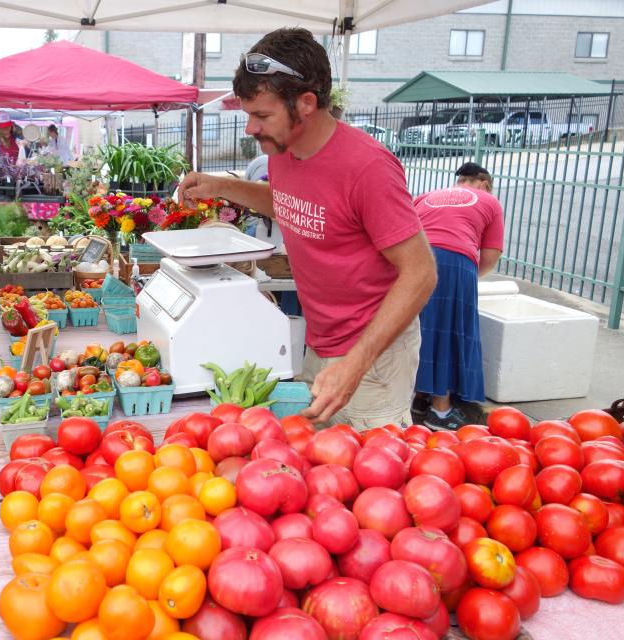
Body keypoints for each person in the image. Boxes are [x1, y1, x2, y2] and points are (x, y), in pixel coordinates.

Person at [179, 28, 437, 430]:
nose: (250, 128)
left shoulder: (367, 167)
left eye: (262, 115)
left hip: (374, 356)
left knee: (372, 480)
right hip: (322, 343)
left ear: (306, 103)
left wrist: (355, 365)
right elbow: (292, 204)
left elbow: (421, 273)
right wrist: (221, 186)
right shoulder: (285, 151)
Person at [414, 162, 503, 430]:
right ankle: (441, 411)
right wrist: (467, 278)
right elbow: (489, 255)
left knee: (417, 329)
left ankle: (417, 398)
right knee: (448, 331)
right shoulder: (490, 201)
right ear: (485, 184)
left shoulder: (427, 196)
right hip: (454, 260)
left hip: (412, 258)